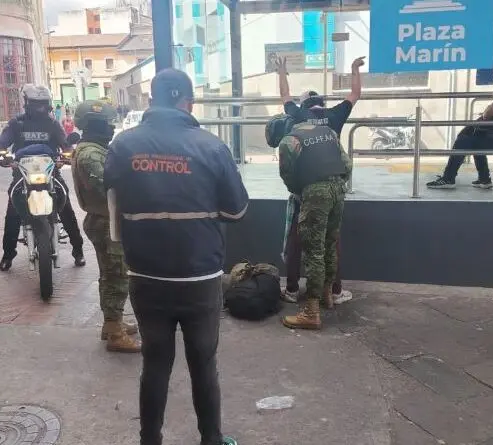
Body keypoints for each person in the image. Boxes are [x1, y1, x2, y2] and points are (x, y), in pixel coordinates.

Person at [105, 69, 247, 445]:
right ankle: (211, 440)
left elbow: (113, 203)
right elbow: (236, 211)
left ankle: (149, 440)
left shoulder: (123, 145)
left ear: (151, 100)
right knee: (203, 363)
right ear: (189, 103)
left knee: (155, 363)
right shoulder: (212, 147)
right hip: (199, 278)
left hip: (145, 275)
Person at [276, 55, 365, 305]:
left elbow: (284, 95)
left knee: (298, 239)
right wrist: (354, 69)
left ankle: (293, 290)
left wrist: (281, 72)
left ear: (304, 104)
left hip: (306, 187)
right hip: (334, 186)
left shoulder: (297, 114)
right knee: (331, 241)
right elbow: (355, 94)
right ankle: (334, 291)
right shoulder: (335, 115)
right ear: (321, 104)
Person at [0, 84, 85, 271]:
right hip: (22, 174)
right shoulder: (16, 123)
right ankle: (8, 254)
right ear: (26, 103)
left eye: (43, 103)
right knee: (13, 211)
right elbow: (1, 144)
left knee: (65, 206)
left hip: (50, 173)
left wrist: (68, 155)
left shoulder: (52, 124)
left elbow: (65, 145)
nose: (40, 107)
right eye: (36, 103)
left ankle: (78, 250)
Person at [71, 100, 141, 353]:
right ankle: (114, 332)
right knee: (116, 276)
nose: (112, 129)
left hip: (107, 219)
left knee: (114, 273)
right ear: (92, 125)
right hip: (105, 222)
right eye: (106, 124)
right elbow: (108, 188)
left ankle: (113, 322)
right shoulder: (91, 154)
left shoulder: (95, 149)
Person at [277, 112, 352, 330]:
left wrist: (302, 191)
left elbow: (287, 176)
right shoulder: (327, 132)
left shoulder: (289, 141)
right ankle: (327, 295)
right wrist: (336, 185)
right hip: (338, 190)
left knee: (313, 251)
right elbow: (347, 165)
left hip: (315, 193)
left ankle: (311, 312)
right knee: (330, 244)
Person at [427, 58, 493, 189]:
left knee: (465, 140)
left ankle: (448, 178)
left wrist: (483, 118)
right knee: (474, 136)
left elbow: (488, 113)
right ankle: (484, 179)